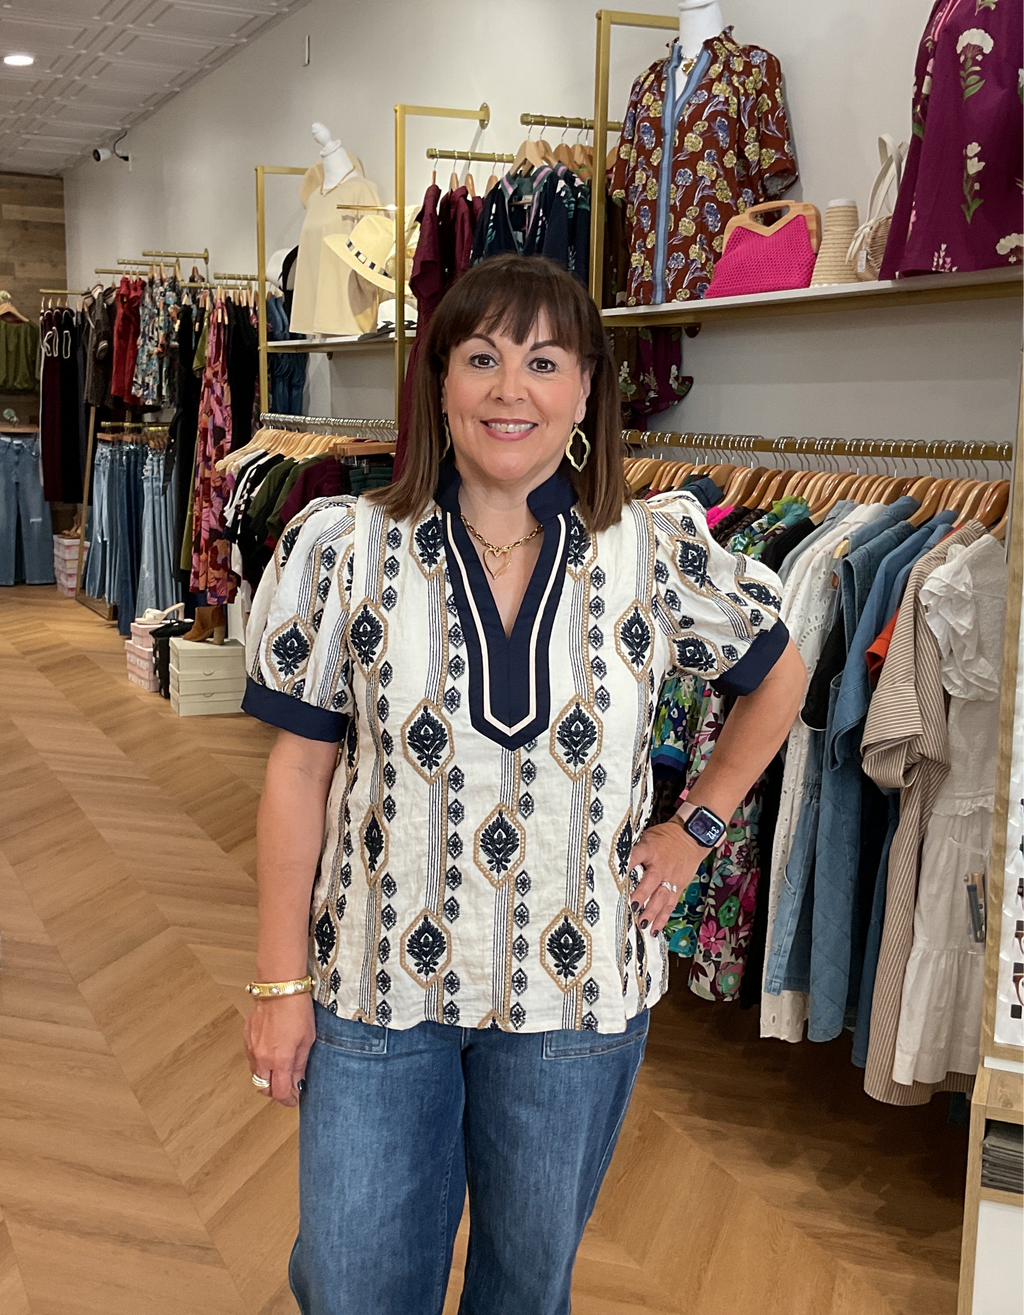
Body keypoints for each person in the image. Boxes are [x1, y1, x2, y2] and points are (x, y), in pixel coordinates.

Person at [241, 252, 805, 1315]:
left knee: (525, 1287)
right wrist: (277, 987)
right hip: (373, 991)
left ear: (586, 387)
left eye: (544, 360)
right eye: (482, 358)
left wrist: (698, 823)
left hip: (576, 999)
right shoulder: (345, 549)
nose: (512, 389)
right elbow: (298, 769)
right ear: (439, 383)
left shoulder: (657, 551)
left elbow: (781, 673)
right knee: (353, 1280)